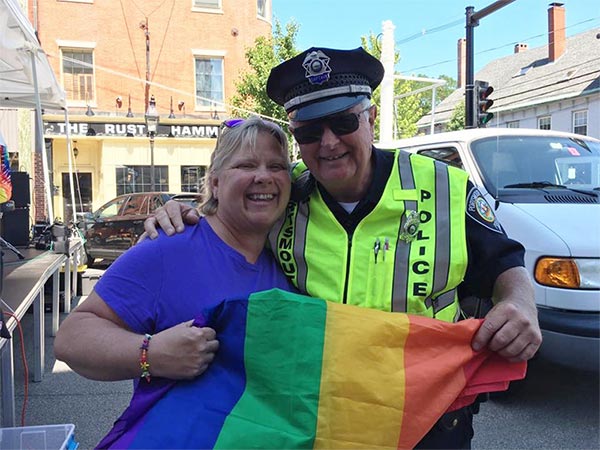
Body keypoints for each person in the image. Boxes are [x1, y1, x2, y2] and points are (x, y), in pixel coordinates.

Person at [143, 47, 542, 449]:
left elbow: (504, 263)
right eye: (310, 131)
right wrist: (183, 213)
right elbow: (228, 216)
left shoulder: (444, 187)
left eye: (343, 122)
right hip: (319, 417)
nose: (329, 143)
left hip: (428, 416)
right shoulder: (282, 193)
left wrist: (521, 304)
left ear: (370, 118)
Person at [54, 117, 294, 385]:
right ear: (215, 182)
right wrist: (151, 354)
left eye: (276, 166)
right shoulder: (168, 246)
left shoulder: (292, 255)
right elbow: (71, 338)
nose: (264, 177)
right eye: (246, 165)